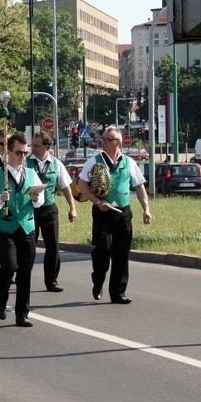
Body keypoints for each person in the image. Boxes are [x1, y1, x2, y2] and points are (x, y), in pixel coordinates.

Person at [78, 126, 152, 304]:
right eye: (103, 139)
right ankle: (98, 280)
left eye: (107, 140)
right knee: (102, 251)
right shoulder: (94, 161)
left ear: (117, 143)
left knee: (121, 254)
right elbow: (81, 185)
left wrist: (146, 209)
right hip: (103, 211)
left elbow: (140, 186)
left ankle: (118, 293)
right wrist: (97, 202)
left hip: (123, 212)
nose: (103, 142)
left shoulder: (128, 162)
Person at [0, 134, 44, 327]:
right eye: (19, 152)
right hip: (6, 227)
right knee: (10, 266)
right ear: (9, 152)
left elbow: (39, 202)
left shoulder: (31, 173)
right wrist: (0, 199)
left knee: (25, 272)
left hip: (27, 227)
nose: (22, 156)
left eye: (25, 153)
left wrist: (36, 198)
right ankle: (1, 301)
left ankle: (22, 314)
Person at [28, 132, 77, 292]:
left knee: (53, 246)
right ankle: (23, 276)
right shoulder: (25, 162)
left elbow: (65, 187)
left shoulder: (56, 164)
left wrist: (72, 208)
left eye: (36, 146)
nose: (33, 148)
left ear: (46, 147)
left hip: (49, 209)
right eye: (32, 145)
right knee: (28, 245)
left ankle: (52, 281)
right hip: (29, 209)